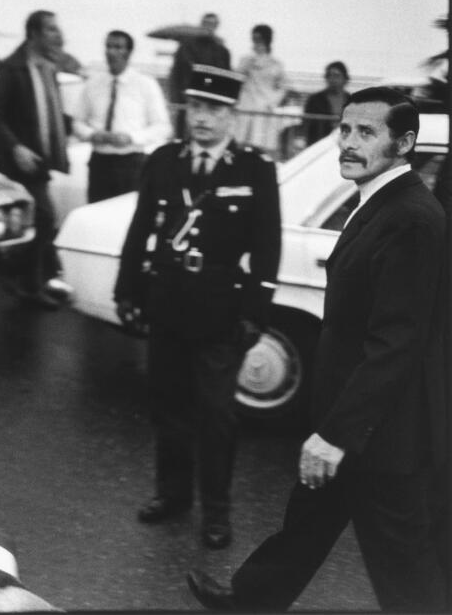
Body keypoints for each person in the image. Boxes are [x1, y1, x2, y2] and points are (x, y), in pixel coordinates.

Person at [187, 87, 448, 612]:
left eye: (366, 133)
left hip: (381, 431)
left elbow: (395, 343)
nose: (348, 144)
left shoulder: (412, 219)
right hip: (350, 414)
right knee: (309, 521)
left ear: (405, 142)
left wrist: (335, 434)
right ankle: (250, 600)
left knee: (404, 565)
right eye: (344, 130)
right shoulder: (376, 202)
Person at [114, 64, 281, 550]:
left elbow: (267, 247)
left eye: (215, 109)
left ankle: (217, 510)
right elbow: (141, 228)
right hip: (166, 305)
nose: (203, 118)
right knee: (168, 408)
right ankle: (173, 495)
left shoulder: (254, 169)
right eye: (197, 108)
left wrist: (256, 310)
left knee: (216, 416)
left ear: (231, 115)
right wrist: (127, 290)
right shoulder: (164, 161)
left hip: (220, 312)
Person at [0, 9, 76, 309]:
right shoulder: (12, 68)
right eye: (50, 29)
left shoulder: (47, 67)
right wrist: (16, 147)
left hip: (41, 160)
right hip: (18, 163)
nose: (55, 33)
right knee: (45, 217)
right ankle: (30, 284)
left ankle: (24, 278)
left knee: (39, 220)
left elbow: (52, 113)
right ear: (34, 33)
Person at [72, 30, 171, 202]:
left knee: (126, 218)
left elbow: (163, 127)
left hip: (131, 165)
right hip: (99, 164)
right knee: (97, 215)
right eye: (108, 46)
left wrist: (132, 138)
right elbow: (77, 122)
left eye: (118, 47)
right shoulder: (93, 84)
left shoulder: (145, 85)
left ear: (129, 52)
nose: (111, 52)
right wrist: (92, 134)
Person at [168, 12, 231, 137]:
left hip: (211, 100)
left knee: (206, 135)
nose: (208, 27)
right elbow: (176, 73)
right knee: (183, 136)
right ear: (201, 24)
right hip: (188, 98)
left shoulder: (222, 50)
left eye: (212, 24)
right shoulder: (186, 46)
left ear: (217, 26)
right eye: (206, 23)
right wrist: (175, 97)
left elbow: (226, 75)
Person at [234, 23, 287, 154]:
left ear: (267, 39)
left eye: (260, 38)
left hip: (264, 108)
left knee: (259, 146)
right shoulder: (245, 60)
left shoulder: (276, 64)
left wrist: (272, 101)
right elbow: (236, 80)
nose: (257, 42)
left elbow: (283, 87)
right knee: (240, 144)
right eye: (254, 38)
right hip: (246, 106)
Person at [302, 61, 351, 146]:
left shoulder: (352, 100)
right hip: (320, 144)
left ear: (345, 79)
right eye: (329, 76)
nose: (332, 79)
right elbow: (307, 124)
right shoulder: (315, 100)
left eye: (336, 76)